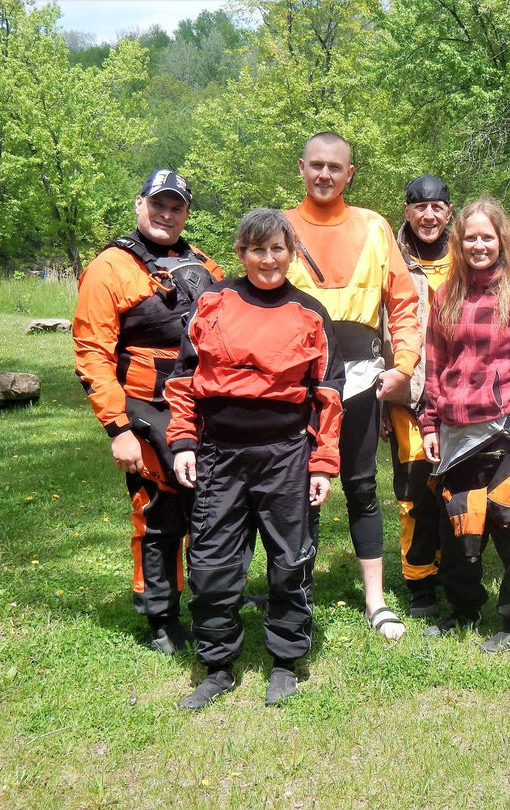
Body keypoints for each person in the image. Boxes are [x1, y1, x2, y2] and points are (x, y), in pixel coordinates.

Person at [165, 208, 344, 709]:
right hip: (219, 454)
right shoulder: (211, 305)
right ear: (240, 253)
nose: (268, 259)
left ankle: (285, 661)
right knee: (212, 563)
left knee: (290, 560)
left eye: (278, 249)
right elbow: (180, 381)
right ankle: (217, 665)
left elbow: (329, 392)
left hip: (287, 454)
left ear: (292, 254)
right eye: (257, 249)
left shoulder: (310, 312)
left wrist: (324, 463)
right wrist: (182, 441)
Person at [73, 169, 223, 655]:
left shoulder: (206, 266)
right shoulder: (110, 268)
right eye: (157, 203)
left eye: (176, 206)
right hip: (143, 408)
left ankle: (213, 603)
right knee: (159, 512)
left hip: (201, 406)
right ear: (139, 204)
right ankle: (160, 616)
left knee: (210, 507)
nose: (166, 214)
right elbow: (92, 352)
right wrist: (117, 428)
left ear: (186, 213)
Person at [283, 132, 422, 640]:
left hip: (362, 378)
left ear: (349, 174)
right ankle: (296, 593)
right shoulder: (281, 226)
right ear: (301, 168)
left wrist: (403, 364)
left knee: (362, 485)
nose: (324, 174)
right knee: (297, 488)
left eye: (334, 167)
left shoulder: (374, 226)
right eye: (315, 165)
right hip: (297, 382)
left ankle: (376, 601)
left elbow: (403, 303)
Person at [419, 198, 510, 653]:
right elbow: (435, 364)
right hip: (457, 432)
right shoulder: (446, 294)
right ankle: (463, 610)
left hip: (509, 431)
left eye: (487, 236)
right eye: (470, 237)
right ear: (458, 243)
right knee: (458, 529)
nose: (479, 245)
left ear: (502, 240)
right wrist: (428, 424)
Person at [385, 174, 454, 618]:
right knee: (415, 489)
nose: (428, 215)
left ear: (450, 211)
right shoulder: (387, 256)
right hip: (409, 395)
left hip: (462, 396)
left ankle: (453, 566)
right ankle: (420, 579)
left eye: (437, 207)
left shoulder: (468, 255)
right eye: (419, 206)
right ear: (407, 211)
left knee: (456, 487)